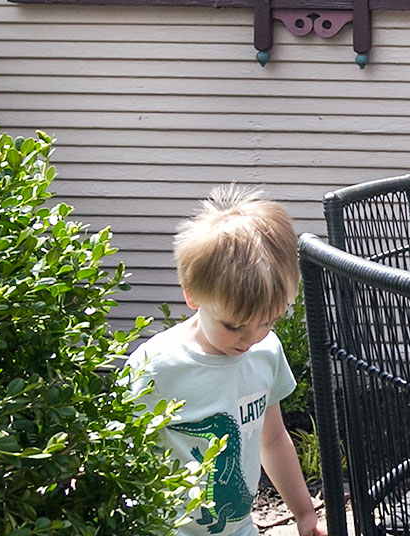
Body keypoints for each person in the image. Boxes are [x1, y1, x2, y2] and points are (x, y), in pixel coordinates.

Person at [127, 185, 325, 536]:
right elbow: (121, 456)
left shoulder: (266, 352)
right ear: (192, 295)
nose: (251, 339)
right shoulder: (156, 365)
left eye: (269, 321)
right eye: (234, 326)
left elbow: (273, 438)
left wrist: (304, 513)